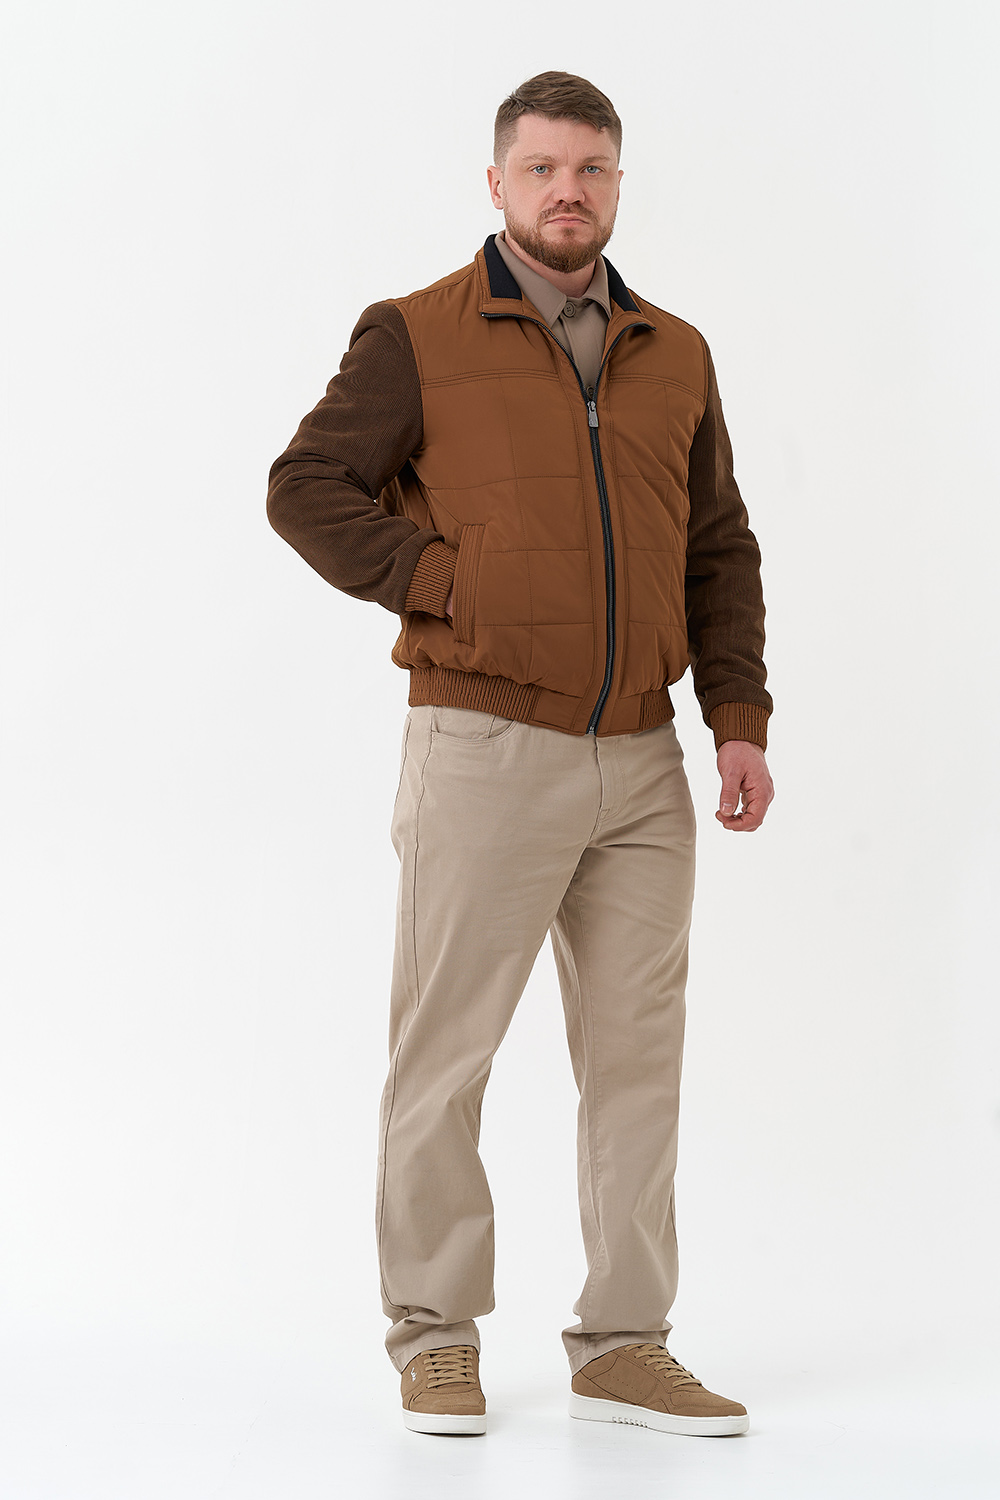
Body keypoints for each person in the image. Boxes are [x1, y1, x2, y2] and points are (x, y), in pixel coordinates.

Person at [266, 69, 774, 1440]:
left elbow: (717, 545)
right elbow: (304, 488)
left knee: (638, 1064)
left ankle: (625, 1342)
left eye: (592, 169)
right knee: (446, 1056)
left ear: (617, 185)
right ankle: (434, 1334)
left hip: (645, 761)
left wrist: (737, 718)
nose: (569, 192)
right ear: (496, 183)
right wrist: (445, 585)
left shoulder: (675, 351)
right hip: (485, 744)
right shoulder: (417, 333)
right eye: (543, 168)